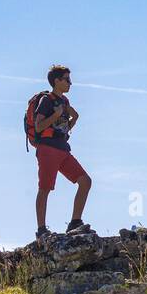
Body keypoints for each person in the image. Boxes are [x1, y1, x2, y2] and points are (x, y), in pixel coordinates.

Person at [33, 65, 92, 240]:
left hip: (62, 148)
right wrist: (55, 115)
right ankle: (41, 230)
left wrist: (66, 128)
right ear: (56, 81)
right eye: (67, 79)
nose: (70, 83)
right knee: (45, 188)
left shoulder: (64, 102)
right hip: (48, 148)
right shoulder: (47, 101)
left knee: (85, 181)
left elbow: (76, 116)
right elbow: (38, 126)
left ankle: (75, 222)